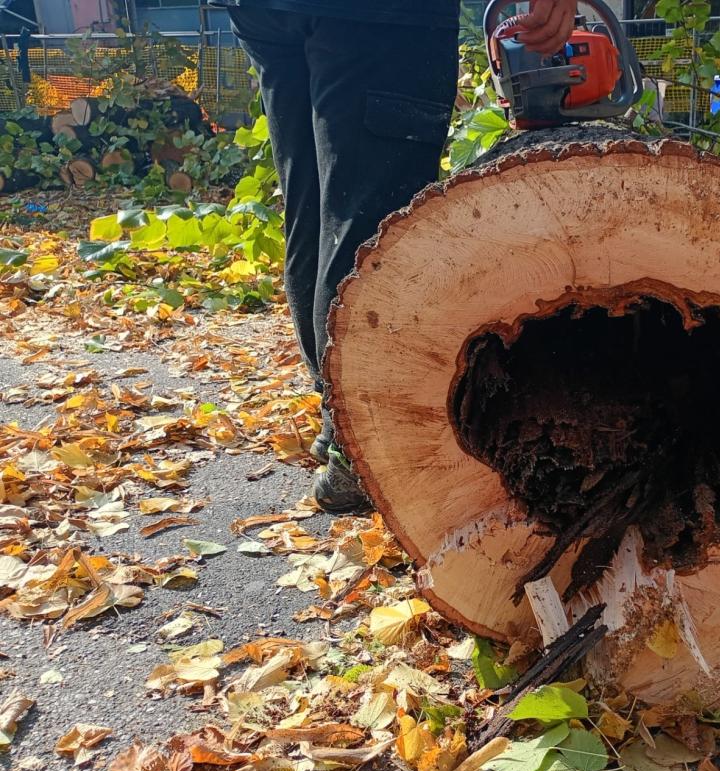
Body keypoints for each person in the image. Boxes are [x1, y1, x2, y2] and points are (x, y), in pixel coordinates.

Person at [219, 0, 579, 513]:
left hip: (264, 12)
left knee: (318, 207)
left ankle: (338, 418)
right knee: (373, 225)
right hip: (380, 14)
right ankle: (360, 444)